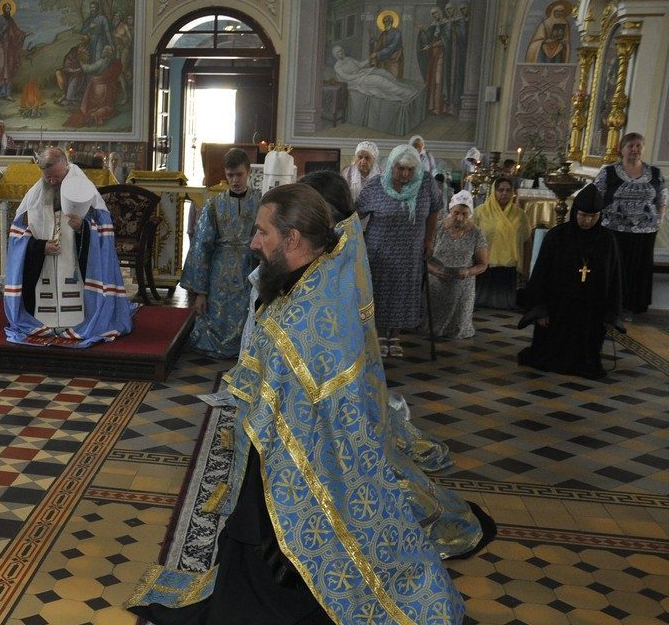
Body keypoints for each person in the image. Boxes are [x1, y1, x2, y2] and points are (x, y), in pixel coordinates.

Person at [129, 184, 466, 624]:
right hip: (279, 449)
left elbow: (309, 399)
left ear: (292, 239)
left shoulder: (312, 307)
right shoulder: (309, 280)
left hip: (303, 462)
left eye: (262, 233)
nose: (254, 243)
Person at [2, 147, 135, 348]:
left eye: (56, 176)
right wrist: (39, 247)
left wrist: (83, 228)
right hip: (45, 267)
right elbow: (17, 236)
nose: (52, 182)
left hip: (75, 266)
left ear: (66, 166)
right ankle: (45, 322)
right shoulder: (36, 194)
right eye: (47, 178)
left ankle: (79, 322)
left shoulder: (85, 189)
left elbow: (103, 235)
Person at [518, 185, 623, 379]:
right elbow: (541, 275)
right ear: (575, 211)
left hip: (591, 307)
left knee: (586, 346)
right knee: (550, 350)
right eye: (583, 215)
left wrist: (610, 313)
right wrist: (541, 309)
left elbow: (614, 279)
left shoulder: (607, 240)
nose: (587, 221)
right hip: (558, 305)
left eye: (593, 216)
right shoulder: (557, 236)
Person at [357, 144, 442, 358]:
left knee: (404, 291)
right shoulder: (376, 185)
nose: (405, 174)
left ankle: (395, 335)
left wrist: (429, 239)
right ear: (391, 166)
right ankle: (377, 334)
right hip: (379, 249)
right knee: (378, 289)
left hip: (411, 249)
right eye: (400, 169)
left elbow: (434, 211)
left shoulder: (426, 184)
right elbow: (357, 213)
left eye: (410, 170)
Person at [180, 148, 259, 358]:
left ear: (248, 172)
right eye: (230, 175)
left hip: (248, 270)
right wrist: (200, 293)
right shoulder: (214, 205)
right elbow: (201, 247)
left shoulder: (260, 203)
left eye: (239, 175)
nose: (234, 180)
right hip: (219, 272)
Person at [593, 132, 666, 317]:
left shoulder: (655, 173)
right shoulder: (608, 172)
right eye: (630, 146)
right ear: (622, 149)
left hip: (645, 231)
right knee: (616, 266)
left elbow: (662, 200)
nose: (634, 150)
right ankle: (610, 305)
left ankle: (633, 305)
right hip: (614, 229)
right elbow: (596, 197)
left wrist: (658, 221)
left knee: (638, 269)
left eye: (638, 146)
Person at [426, 190, 488, 339]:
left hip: (462, 285)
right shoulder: (437, 228)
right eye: (456, 213)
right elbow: (422, 258)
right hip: (437, 282)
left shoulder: (476, 233)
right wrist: (434, 271)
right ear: (450, 210)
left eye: (464, 214)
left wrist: (468, 272)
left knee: (458, 328)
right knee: (432, 326)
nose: (460, 218)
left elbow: (483, 264)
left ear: (470, 214)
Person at [475, 176, 530, 309]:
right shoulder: (481, 211)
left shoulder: (520, 215)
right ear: (494, 192)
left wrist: (526, 269)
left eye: (508, 190)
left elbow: (527, 240)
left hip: (509, 266)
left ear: (513, 193)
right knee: (481, 303)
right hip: (485, 263)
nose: (504, 193)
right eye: (500, 190)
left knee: (506, 306)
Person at [330, 45, 421, 101]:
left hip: (362, 73)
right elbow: (346, 78)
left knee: (382, 72)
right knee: (379, 80)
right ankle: (405, 93)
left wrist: (370, 59)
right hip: (356, 81)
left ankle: (400, 85)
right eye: (338, 52)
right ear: (335, 55)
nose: (340, 53)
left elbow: (360, 65)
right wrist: (358, 75)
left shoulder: (349, 59)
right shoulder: (337, 66)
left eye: (341, 51)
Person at [64, 45, 123, 128]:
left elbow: (87, 69)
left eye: (103, 50)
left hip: (98, 88)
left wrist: (81, 60)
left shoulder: (102, 62)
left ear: (104, 53)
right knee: (106, 106)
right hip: (108, 88)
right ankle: (98, 114)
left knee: (92, 107)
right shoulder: (113, 62)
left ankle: (94, 115)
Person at [0, 0, 28, 101]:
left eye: (9, 8)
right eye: (6, 8)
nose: (8, 10)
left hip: (9, 48)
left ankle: (6, 93)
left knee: (9, 69)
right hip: (0, 46)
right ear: (3, 9)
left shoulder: (11, 20)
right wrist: (3, 31)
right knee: (0, 67)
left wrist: (23, 35)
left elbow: (16, 32)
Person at [370, 11, 403, 78]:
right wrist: (373, 40)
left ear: (391, 22)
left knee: (392, 79)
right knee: (383, 78)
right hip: (384, 57)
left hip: (394, 58)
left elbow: (392, 47)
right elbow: (379, 44)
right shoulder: (384, 33)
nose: (385, 24)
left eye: (387, 22)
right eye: (384, 22)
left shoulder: (397, 33)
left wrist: (377, 54)